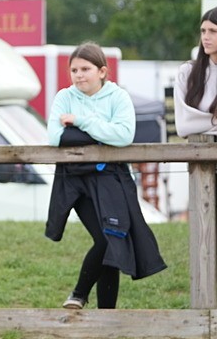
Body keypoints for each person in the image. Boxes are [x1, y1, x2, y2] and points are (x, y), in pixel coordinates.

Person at [45, 42, 165, 309]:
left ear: (102, 71)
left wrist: (79, 123)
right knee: (105, 238)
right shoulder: (64, 97)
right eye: (74, 69)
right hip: (76, 180)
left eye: (85, 69)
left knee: (113, 238)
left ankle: (100, 311)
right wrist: (101, 134)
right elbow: (55, 137)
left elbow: (123, 136)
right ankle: (79, 295)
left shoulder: (117, 97)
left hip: (111, 179)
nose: (78, 75)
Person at [174, 7, 217, 137]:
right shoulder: (186, 72)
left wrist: (200, 123)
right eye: (203, 31)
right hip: (198, 154)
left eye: (213, 31)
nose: (205, 37)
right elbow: (183, 125)